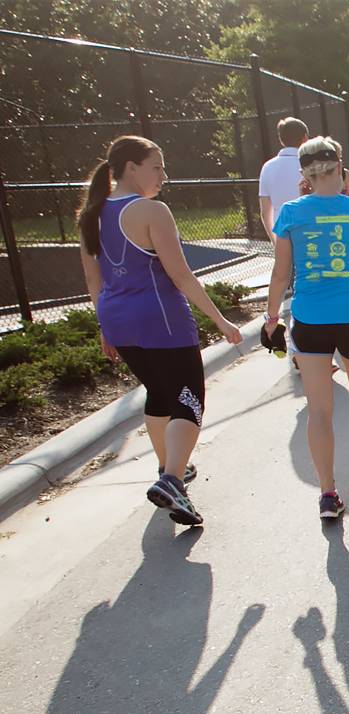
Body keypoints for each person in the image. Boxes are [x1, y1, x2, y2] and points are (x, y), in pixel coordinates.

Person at [77, 136, 242, 526]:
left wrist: (106, 325)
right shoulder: (151, 211)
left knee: (160, 393)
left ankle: (171, 468)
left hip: (119, 322)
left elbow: (92, 280)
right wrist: (221, 320)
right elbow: (181, 275)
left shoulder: (91, 214)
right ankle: (171, 480)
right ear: (131, 167)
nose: (163, 176)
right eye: (157, 166)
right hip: (161, 321)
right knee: (190, 401)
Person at [266, 136, 349, 519]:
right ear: (339, 168)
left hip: (309, 319)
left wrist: (272, 319)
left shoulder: (289, 212)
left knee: (319, 410)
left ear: (303, 173)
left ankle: (328, 494)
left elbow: (279, 273)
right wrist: (348, 184)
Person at [259, 118, 308, 368]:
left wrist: (273, 238)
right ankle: (302, 350)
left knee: (286, 286)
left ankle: (295, 345)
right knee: (304, 291)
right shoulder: (307, 164)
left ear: (280, 138)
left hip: (281, 234)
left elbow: (264, 208)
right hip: (309, 234)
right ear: (304, 138)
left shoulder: (268, 167)